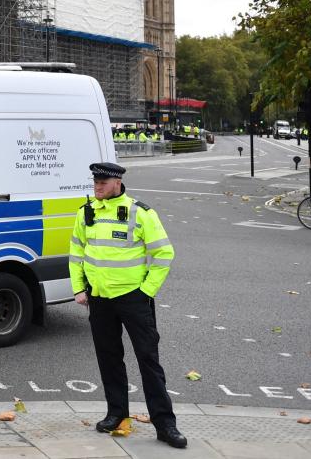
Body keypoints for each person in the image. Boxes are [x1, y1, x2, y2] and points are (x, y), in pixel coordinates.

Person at [69, 162, 186, 449]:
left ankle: (165, 424)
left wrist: (146, 291)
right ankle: (116, 414)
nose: (97, 186)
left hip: (133, 298)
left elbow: (163, 253)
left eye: (103, 182)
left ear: (117, 183)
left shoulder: (139, 212)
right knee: (109, 359)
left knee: (148, 360)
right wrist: (79, 289)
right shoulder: (86, 213)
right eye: (95, 181)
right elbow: (76, 252)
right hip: (99, 299)